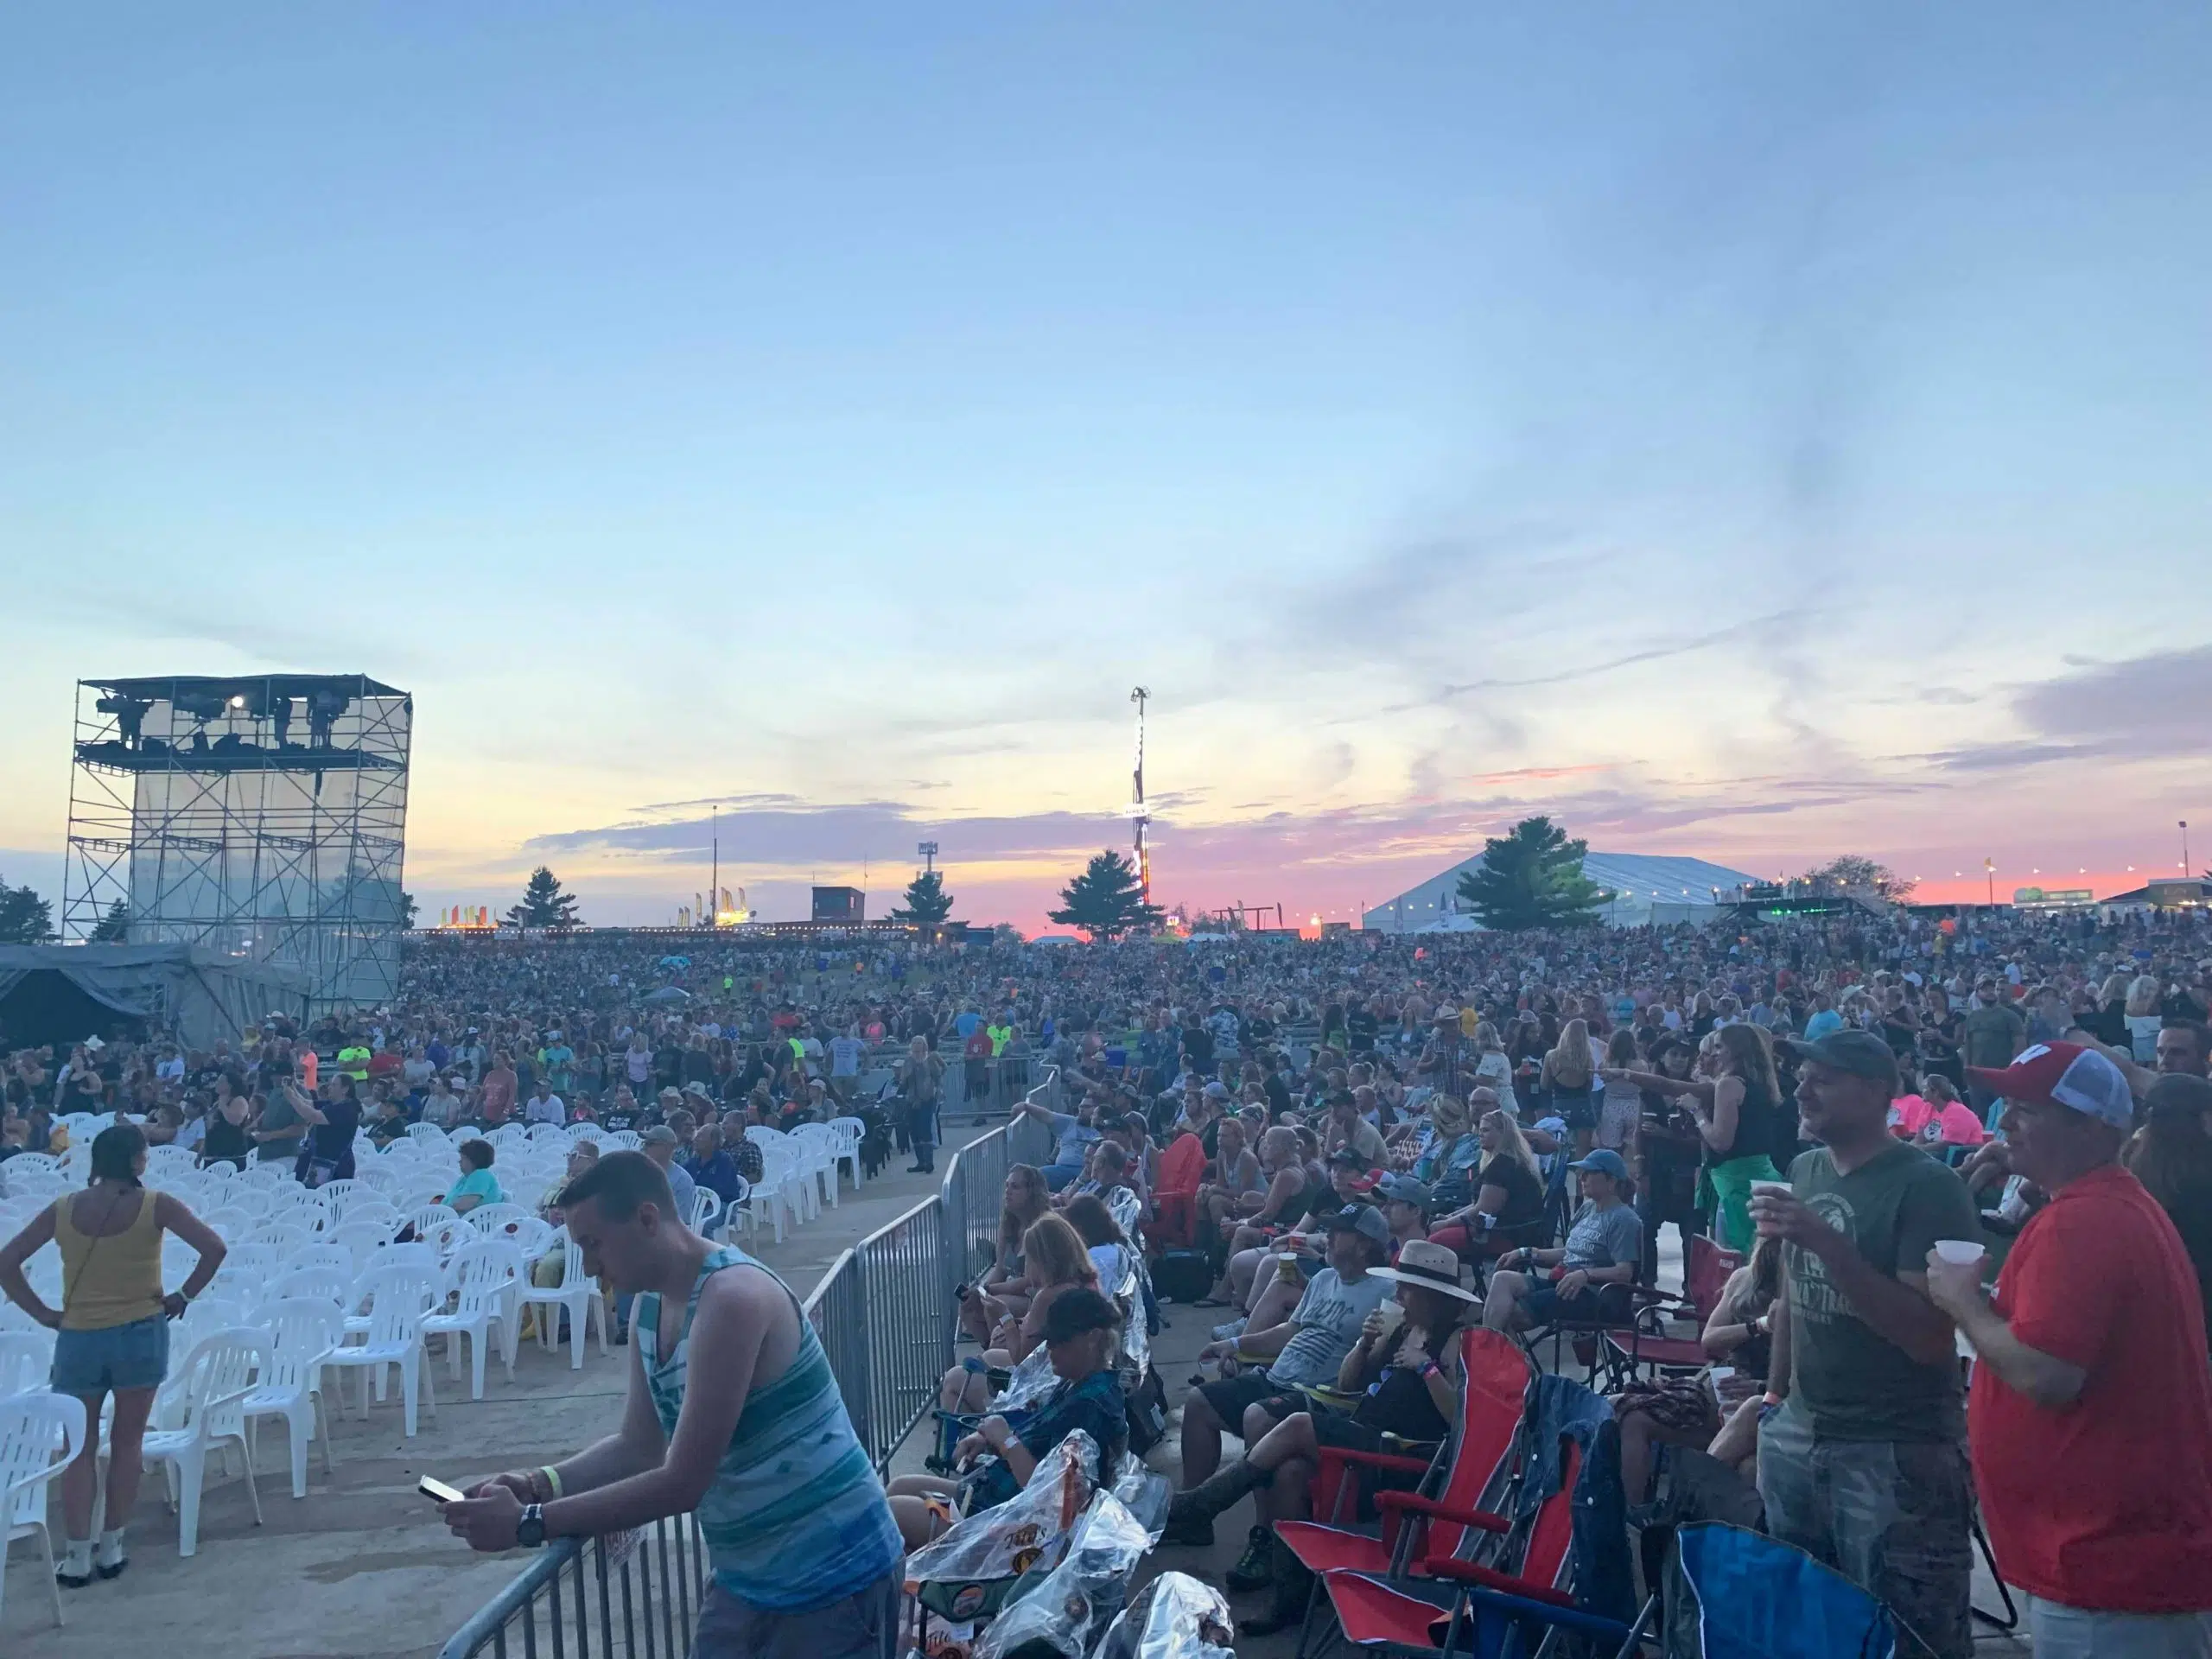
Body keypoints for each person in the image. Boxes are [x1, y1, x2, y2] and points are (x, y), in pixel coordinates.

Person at [442, 1152, 905, 1659]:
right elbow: (637, 1447)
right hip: (748, 1580)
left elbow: (684, 1481)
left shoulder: (732, 1298)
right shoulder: (649, 1306)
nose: (589, 1266)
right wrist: (537, 1484)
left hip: (835, 1579)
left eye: (594, 1244)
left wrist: (530, 1522)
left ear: (647, 1219)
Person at [1922, 1040, 2212, 1657]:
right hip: (2104, 1559)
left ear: (2091, 1128)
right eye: (2006, 1107)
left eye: (2027, 1110)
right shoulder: (2102, 1205)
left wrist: (1963, 1303)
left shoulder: (2084, 1221)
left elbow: (2047, 1374)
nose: (2006, 1123)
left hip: (2105, 1566)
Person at [1752, 1029, 1980, 1659]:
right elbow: (1792, 1296)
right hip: (1800, 1436)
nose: (1802, 1091)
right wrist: (1774, 1399)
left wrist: (1827, 1242)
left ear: (1879, 1091)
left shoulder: (1928, 1186)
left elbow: (1928, 1337)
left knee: (1909, 1639)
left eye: (1822, 1079)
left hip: (1893, 1452)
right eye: (1802, 1076)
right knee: (1809, 1635)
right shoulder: (1806, 1169)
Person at [1165, 1237, 1478, 1624]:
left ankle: (1204, 1502)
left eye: (1407, 1288)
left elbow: (1462, 1417)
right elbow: (1348, 1384)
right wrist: (1364, 1345)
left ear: (1432, 1296)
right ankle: (1291, 1597)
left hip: (1404, 1457)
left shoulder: (1455, 1340)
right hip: (1363, 1439)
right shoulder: (1401, 1328)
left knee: (1298, 1423)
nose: (1398, 1294)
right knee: (1289, 1471)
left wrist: (1425, 1368)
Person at [0, 1123, 226, 1586]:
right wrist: (183, 1296)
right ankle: (112, 1546)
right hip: (140, 1332)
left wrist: (43, 1313)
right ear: (138, 1160)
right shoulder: (156, 1205)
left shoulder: (64, 1208)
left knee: (77, 1450)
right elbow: (214, 1248)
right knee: (127, 1443)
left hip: (79, 1337)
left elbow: (6, 1262)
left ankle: (76, 1554)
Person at [1175, 1205, 1394, 1515]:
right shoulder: (1323, 1279)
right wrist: (1235, 1344)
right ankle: (1188, 1512)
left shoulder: (1387, 1293)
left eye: (1339, 1232)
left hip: (1318, 1397)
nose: (1328, 1237)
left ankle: (1262, 1531)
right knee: (1199, 1401)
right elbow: (1290, 1330)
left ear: (1364, 1245)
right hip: (1275, 1380)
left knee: (1258, 1415)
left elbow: (1376, 1362)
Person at [889, 1287, 1126, 1548]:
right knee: (897, 1488)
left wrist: (1006, 1441)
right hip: (991, 1497)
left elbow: (1054, 1499)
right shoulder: (1077, 1383)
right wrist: (988, 1438)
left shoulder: (1090, 1407)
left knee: (891, 1514)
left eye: (1059, 1340)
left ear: (1092, 1338)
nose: (1049, 1348)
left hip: (1009, 1528)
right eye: (1048, 1339)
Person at [940, 1213, 1096, 1413]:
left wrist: (1005, 1316)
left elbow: (1021, 1359)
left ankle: (979, 1430)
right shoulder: (1083, 1283)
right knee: (989, 1356)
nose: (1026, 1267)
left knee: (952, 1380)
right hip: (1065, 1383)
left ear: (1043, 1260)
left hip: (1041, 1396)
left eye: (1028, 1259)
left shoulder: (1047, 1297)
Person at [1480, 1148, 1642, 1332]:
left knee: (1511, 1314)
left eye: (1589, 1173)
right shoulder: (1588, 1209)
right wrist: (1526, 1252)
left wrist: (1585, 1274)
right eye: (1582, 1172)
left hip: (1595, 1296)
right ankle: (1488, 1346)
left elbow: (1624, 1272)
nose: (1581, 1177)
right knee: (1502, 1279)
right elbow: (1571, 1252)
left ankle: (1496, 1348)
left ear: (1611, 1181)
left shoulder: (1624, 1219)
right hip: (1568, 1284)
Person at [2124, 1073, 2212, 1348]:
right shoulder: (2201, 1188)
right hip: (2198, 1329)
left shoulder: (2126, 1176)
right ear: (2204, 1120)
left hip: (2145, 1327)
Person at [1426, 1103, 1545, 1262]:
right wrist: (1449, 1217)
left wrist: (1445, 1224)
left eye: (1486, 1130)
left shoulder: (1503, 1166)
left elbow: (1482, 1210)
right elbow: (1479, 1204)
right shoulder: (1506, 1161)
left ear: (1503, 1134)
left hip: (1505, 1236)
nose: (1480, 1134)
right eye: (1480, 1130)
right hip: (1498, 1230)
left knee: (1432, 1243)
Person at [960, 1164, 1052, 1344]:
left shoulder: (1043, 1227)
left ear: (1032, 1192)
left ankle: (1003, 1353)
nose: (1008, 1191)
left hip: (1036, 1296)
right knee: (968, 1306)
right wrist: (980, 1291)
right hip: (1012, 1290)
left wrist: (988, 1291)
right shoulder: (1009, 1225)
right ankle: (990, 1351)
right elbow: (1000, 1270)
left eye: (1015, 1187)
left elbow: (1030, 1280)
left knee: (994, 1306)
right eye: (1007, 1186)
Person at [899, 1036, 944, 1174]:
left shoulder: (930, 1059)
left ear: (924, 1045)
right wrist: (905, 1078)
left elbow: (939, 1074)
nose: (917, 1045)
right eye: (914, 1043)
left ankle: (929, 1162)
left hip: (927, 1098)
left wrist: (937, 1088)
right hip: (911, 1099)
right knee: (914, 1129)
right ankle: (921, 1162)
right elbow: (903, 1082)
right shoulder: (908, 1061)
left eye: (919, 1042)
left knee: (925, 1128)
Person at [446, 1139, 505, 1214]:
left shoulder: (481, 1175)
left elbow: (465, 1204)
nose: (459, 1161)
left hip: (474, 1220)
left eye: (463, 1158)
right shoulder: (467, 1177)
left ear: (473, 1160)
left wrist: (443, 1210)